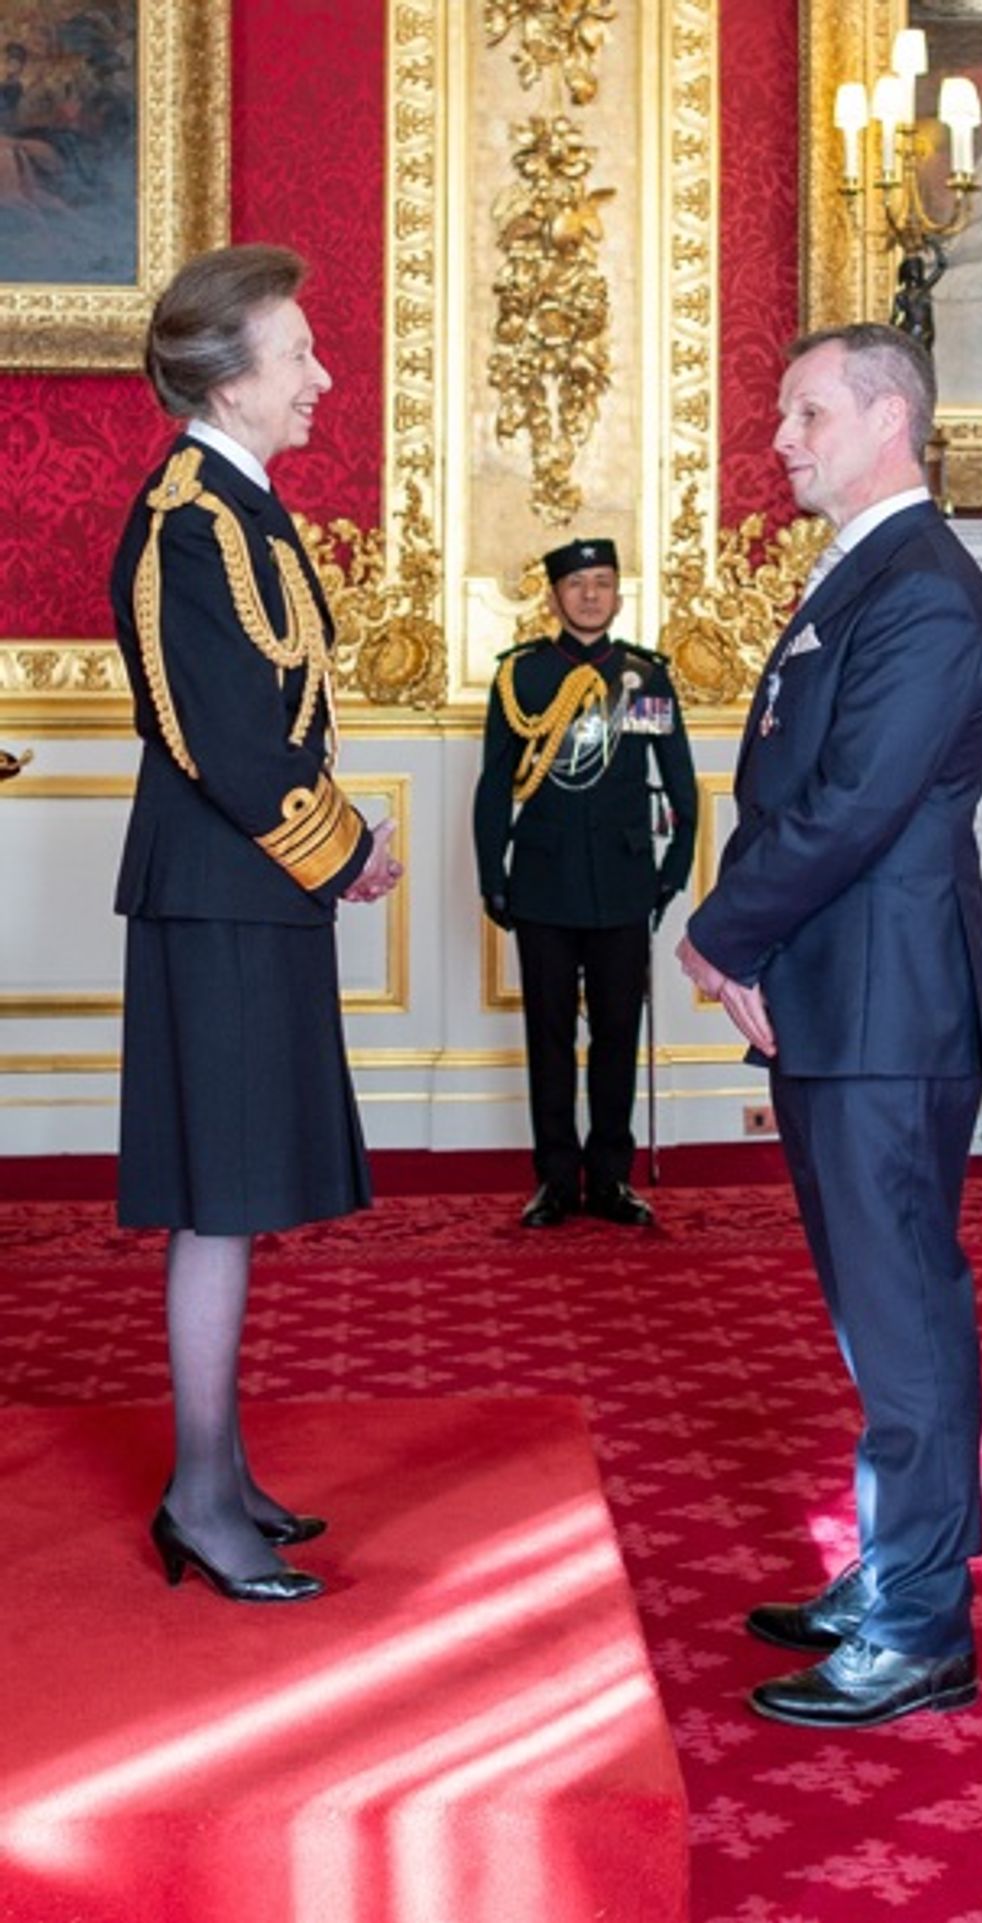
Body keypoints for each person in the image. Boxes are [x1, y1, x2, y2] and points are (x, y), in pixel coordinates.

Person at [677, 323, 982, 1729]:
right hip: (842, 1000)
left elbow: (854, 801)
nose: (782, 438)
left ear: (888, 416)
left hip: (886, 1006)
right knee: (878, 1320)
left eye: (805, 410)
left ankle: (923, 1619)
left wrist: (717, 927)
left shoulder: (923, 588)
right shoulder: (871, 570)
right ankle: (890, 1570)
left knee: (907, 1316)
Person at [110, 244, 402, 1604]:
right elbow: (218, 731)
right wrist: (341, 848)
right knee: (216, 1206)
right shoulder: (189, 516)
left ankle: (218, 1476)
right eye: (297, 354)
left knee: (232, 1203)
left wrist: (335, 842)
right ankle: (197, 1493)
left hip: (251, 892)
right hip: (222, 893)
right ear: (228, 375)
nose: (321, 376)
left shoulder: (243, 504)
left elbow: (280, 711)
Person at [474, 538, 697, 1228]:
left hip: (625, 885)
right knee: (548, 1037)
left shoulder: (642, 678)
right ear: (553, 596)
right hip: (542, 883)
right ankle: (553, 1180)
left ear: (618, 594)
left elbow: (679, 783)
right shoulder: (523, 678)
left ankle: (610, 1178)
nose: (591, 595)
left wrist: (671, 874)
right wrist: (493, 875)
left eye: (602, 582)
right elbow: (492, 788)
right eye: (577, 584)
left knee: (616, 1035)